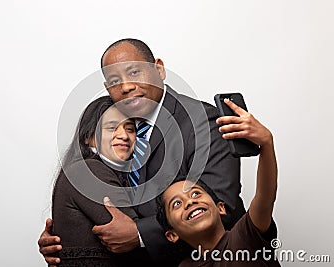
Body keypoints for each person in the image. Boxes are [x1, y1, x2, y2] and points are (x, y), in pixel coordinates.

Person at [39, 39, 246, 266]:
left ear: (159, 69)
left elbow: (223, 203)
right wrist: (70, 242)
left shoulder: (201, 120)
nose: (126, 86)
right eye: (115, 81)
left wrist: (140, 235)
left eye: (134, 72)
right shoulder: (120, 136)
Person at [156, 99, 280, 266]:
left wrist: (266, 143)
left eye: (195, 193)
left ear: (220, 207)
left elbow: (265, 197)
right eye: (176, 203)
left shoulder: (245, 236)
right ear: (172, 235)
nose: (190, 201)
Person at [52, 96, 150, 266]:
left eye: (130, 129)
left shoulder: (124, 175)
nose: (124, 135)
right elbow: (133, 233)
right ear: (87, 137)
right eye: (112, 128)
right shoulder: (87, 171)